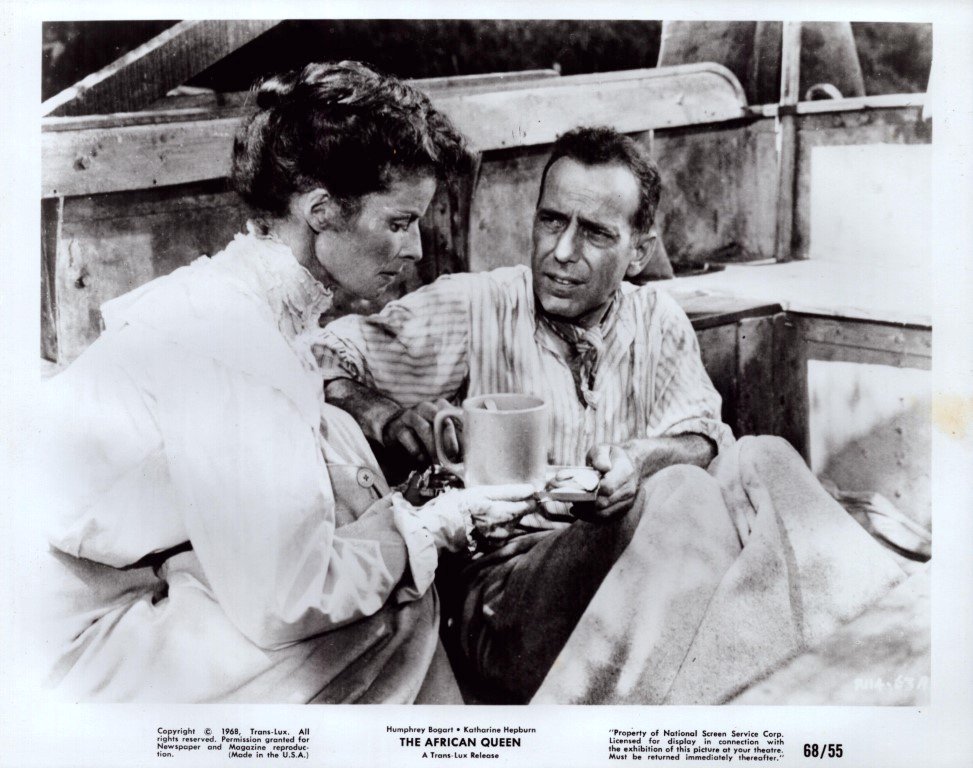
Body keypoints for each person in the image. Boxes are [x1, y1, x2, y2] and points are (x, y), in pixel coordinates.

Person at [316, 126, 911, 703]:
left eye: (595, 233)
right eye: (552, 221)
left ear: (638, 252)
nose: (561, 252)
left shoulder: (656, 319)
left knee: (762, 458)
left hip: (633, 582)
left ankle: (872, 645)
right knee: (686, 495)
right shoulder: (477, 304)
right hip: (505, 602)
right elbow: (317, 354)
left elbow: (703, 435)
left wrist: (638, 461)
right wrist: (381, 415)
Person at [37, 61, 536, 704]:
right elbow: (287, 602)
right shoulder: (238, 344)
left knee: (370, 528)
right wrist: (434, 524)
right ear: (321, 210)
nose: (415, 248)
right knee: (391, 611)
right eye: (399, 221)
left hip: (112, 580)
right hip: (57, 634)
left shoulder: (243, 298)